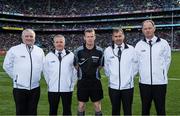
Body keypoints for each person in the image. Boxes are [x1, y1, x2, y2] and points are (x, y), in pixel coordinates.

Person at [3, 29, 45, 115]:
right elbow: (6, 65)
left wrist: (37, 76)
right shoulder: (14, 49)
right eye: (26, 36)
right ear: (22, 37)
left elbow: (43, 66)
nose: (29, 38)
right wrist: (16, 78)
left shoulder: (39, 50)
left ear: (34, 38)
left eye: (31, 36)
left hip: (35, 87)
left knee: (33, 111)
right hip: (19, 88)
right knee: (21, 112)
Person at [135, 20, 171, 115]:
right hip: (144, 83)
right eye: (145, 28)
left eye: (150, 28)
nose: (147, 30)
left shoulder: (163, 43)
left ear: (154, 29)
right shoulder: (139, 45)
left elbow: (167, 60)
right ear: (142, 30)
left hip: (160, 83)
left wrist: (161, 73)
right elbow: (137, 63)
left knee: (160, 109)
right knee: (145, 109)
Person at [104, 28, 138, 115]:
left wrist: (130, 77)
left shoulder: (131, 49)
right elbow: (106, 67)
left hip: (128, 87)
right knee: (115, 111)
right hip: (113, 87)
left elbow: (135, 66)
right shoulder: (108, 50)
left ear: (123, 36)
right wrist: (112, 78)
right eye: (116, 36)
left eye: (120, 36)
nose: (118, 38)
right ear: (112, 38)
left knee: (128, 111)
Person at [43, 34, 77, 115]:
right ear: (54, 43)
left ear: (64, 43)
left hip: (67, 88)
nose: (59, 44)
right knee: (52, 111)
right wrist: (50, 83)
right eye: (57, 42)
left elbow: (75, 72)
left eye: (61, 42)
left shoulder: (71, 55)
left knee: (67, 111)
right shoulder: (49, 56)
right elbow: (46, 72)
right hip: (52, 89)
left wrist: (71, 85)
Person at [74, 28, 103, 116]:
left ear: (94, 37)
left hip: (95, 82)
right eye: (88, 36)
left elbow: (101, 65)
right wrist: (83, 73)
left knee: (97, 105)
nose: (90, 38)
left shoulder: (100, 51)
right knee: (81, 105)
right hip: (82, 82)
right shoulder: (78, 51)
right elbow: (76, 65)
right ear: (84, 38)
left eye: (91, 36)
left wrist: (94, 72)